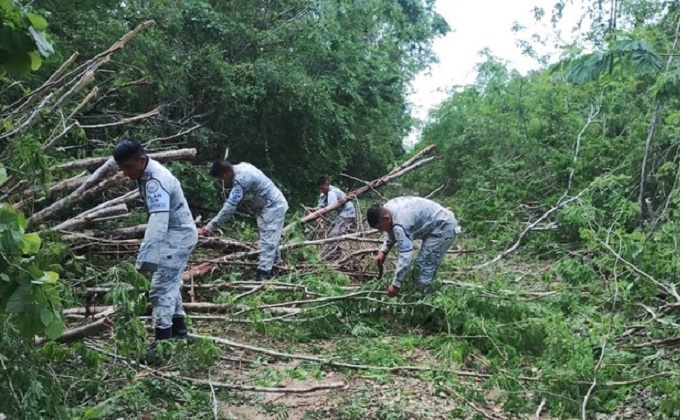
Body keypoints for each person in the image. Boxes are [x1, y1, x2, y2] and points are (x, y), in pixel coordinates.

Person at [113, 138, 198, 356]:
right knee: (169, 284)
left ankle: (162, 345)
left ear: (141, 160)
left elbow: (158, 223)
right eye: (121, 168)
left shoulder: (155, 182)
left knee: (160, 289)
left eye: (128, 167)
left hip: (177, 235)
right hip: (178, 233)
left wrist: (144, 262)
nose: (125, 173)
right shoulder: (147, 173)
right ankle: (179, 332)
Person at [198, 159, 288, 282]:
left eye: (222, 179)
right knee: (272, 240)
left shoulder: (242, 179)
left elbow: (230, 207)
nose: (224, 181)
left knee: (267, 242)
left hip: (272, 207)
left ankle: (262, 275)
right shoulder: (243, 167)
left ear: (225, 173)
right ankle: (276, 269)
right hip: (269, 206)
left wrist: (211, 226)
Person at [367, 197, 461, 297]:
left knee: (423, 268)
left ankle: (426, 301)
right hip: (435, 225)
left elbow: (406, 255)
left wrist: (395, 285)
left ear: (386, 218)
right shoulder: (387, 209)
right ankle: (423, 294)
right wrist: (383, 251)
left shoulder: (401, 221)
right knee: (422, 267)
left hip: (443, 227)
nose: (381, 231)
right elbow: (391, 231)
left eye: (380, 227)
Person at [314, 176, 355, 259]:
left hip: (347, 215)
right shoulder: (324, 194)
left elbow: (330, 208)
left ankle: (331, 256)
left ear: (327, 184)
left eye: (323, 188)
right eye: (320, 189)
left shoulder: (332, 192)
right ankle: (337, 252)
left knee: (334, 234)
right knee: (330, 232)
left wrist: (321, 217)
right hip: (341, 215)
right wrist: (315, 212)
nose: (322, 190)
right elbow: (320, 206)